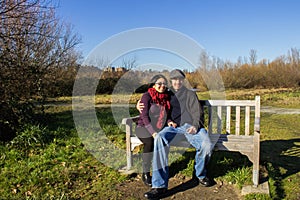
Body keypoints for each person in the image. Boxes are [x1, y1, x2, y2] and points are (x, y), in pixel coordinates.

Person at [138, 69, 213, 199]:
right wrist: (138, 104)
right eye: (174, 79)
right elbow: (150, 98)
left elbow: (198, 112)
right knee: (159, 138)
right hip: (172, 127)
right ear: (171, 81)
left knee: (206, 144)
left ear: (183, 80)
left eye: (180, 79)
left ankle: (200, 174)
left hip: (190, 127)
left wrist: (195, 126)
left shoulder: (190, 94)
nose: (177, 82)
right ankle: (159, 186)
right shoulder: (167, 94)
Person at [135, 74, 174, 187]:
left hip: (159, 128)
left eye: (164, 84)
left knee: (162, 140)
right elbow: (144, 117)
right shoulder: (147, 96)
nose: (162, 86)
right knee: (150, 142)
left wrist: (169, 121)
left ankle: (160, 170)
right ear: (153, 84)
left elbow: (167, 114)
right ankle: (146, 172)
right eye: (159, 83)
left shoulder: (166, 96)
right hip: (143, 127)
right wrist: (153, 132)